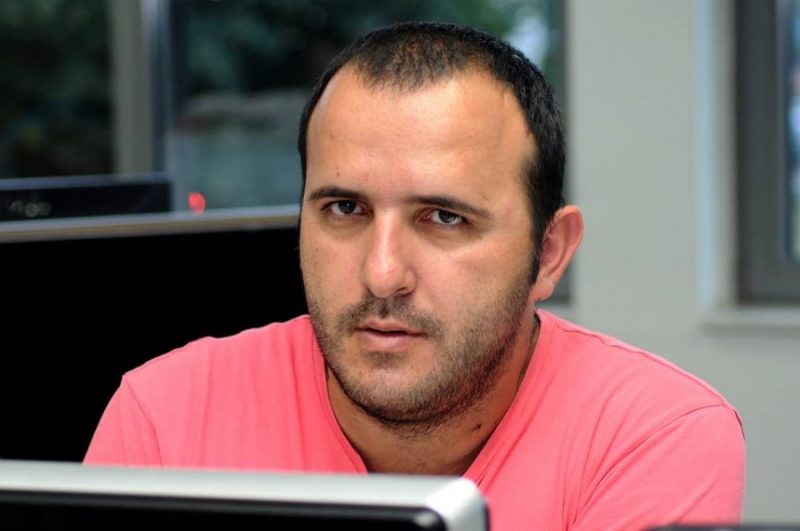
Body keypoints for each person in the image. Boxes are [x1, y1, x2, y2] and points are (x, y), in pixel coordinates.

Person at [85, 21, 745, 531]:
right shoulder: (166, 417)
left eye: (444, 218)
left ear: (548, 252)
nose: (382, 274)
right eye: (345, 209)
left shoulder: (652, 433)